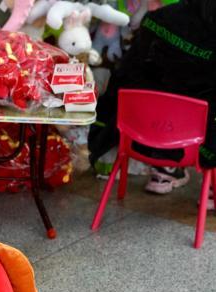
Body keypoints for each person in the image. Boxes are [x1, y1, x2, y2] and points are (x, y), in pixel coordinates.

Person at [89, 0, 216, 203]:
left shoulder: (159, 19)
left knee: (158, 86)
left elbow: (125, 74)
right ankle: (210, 189)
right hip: (194, 141)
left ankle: (164, 168)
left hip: (138, 133)